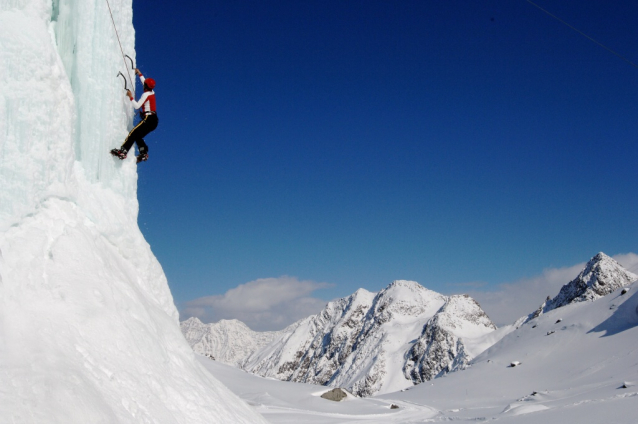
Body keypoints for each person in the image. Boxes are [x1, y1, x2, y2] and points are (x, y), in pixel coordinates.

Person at [110, 68, 158, 164]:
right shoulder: (152, 92)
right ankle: (143, 152)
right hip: (154, 120)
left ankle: (123, 151)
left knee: (133, 133)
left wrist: (130, 96)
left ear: (146, 86)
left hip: (149, 119)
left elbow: (137, 106)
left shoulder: (146, 95)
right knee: (138, 135)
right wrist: (140, 74)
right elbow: (144, 82)